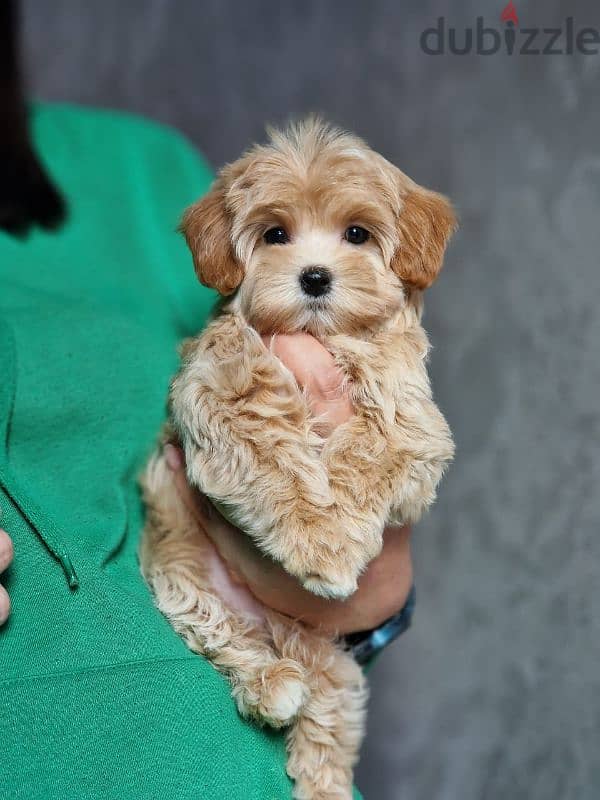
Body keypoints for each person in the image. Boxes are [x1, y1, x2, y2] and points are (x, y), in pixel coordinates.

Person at [0, 5, 413, 797]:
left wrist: (367, 582)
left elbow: (361, 579)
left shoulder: (138, 173)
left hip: (238, 766)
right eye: (281, 235)